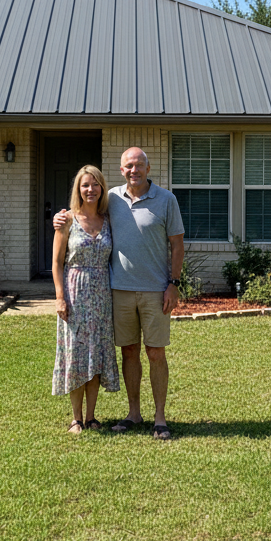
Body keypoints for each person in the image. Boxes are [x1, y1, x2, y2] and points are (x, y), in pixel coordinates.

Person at [54, 147, 185, 440]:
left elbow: (177, 244)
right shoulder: (111, 198)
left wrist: (173, 283)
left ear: (148, 169)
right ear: (121, 170)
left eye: (138, 165)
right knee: (129, 352)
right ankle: (133, 413)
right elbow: (79, 214)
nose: (133, 171)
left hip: (155, 291)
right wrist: (59, 219)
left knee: (155, 353)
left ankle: (160, 418)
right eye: (128, 166)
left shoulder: (166, 200)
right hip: (119, 291)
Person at [52, 165, 119, 433]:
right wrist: (59, 297)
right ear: (78, 190)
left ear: (102, 188)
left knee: (97, 354)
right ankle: (76, 418)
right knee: (76, 354)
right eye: (85, 185)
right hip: (74, 293)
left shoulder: (109, 220)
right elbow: (57, 263)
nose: (90, 189)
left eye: (95, 184)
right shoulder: (67, 220)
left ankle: (92, 417)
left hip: (102, 295)